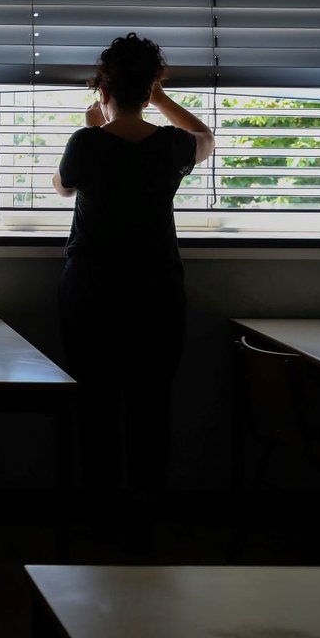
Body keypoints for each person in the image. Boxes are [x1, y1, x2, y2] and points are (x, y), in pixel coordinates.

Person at [50, 33, 214, 540]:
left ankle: (102, 507)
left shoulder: (87, 143)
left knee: (96, 399)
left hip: (92, 290)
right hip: (156, 289)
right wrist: (161, 99)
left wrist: (90, 126)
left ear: (104, 88)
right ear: (147, 89)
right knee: (151, 401)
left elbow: (63, 186)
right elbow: (205, 139)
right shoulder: (169, 145)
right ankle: (145, 510)